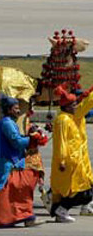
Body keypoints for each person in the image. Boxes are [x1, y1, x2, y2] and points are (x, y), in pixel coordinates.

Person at [0, 96, 47, 227]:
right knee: (24, 185)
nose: (18, 111)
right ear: (9, 109)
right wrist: (33, 139)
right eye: (16, 108)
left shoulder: (10, 122)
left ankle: (24, 214)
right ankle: (27, 217)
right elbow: (16, 142)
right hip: (8, 162)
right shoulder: (7, 123)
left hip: (15, 159)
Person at [50, 85, 93, 223]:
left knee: (85, 188)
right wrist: (62, 160)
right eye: (74, 104)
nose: (76, 106)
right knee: (75, 191)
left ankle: (67, 210)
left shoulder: (74, 117)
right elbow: (61, 142)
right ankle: (61, 211)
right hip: (68, 161)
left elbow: (85, 106)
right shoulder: (63, 120)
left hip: (79, 160)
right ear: (67, 106)